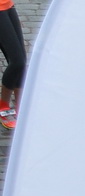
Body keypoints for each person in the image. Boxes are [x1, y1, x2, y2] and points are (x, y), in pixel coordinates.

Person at [0, 0, 24, 130]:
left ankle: (21, 108)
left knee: (21, 63)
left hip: (8, 5)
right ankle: (3, 106)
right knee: (17, 61)